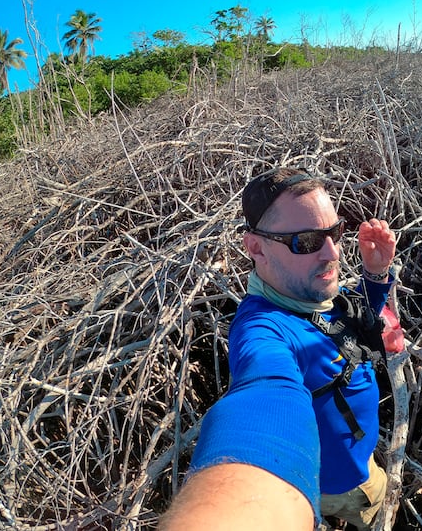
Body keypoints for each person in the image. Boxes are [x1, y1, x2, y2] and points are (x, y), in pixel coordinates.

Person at [160, 166, 397, 530]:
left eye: (334, 232)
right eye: (307, 241)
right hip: (348, 487)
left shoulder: (307, 291)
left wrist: (375, 275)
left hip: (357, 461)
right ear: (256, 247)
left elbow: (344, 318)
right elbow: (263, 395)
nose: (331, 253)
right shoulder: (264, 331)